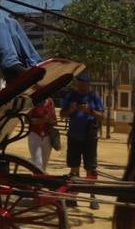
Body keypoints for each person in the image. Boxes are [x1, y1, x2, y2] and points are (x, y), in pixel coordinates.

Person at [60, 72, 105, 208]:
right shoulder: (71, 96)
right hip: (74, 136)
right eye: (79, 83)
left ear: (88, 84)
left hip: (90, 136)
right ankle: (73, 196)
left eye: (84, 84)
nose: (81, 86)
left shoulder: (93, 97)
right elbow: (62, 114)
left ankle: (92, 196)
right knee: (74, 167)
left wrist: (89, 111)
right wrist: (70, 110)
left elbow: (102, 116)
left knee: (90, 168)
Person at [26, 95, 58, 172]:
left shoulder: (50, 101)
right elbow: (26, 120)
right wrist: (41, 120)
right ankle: (37, 178)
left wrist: (49, 120)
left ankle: (40, 178)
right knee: (37, 163)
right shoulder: (32, 101)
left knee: (44, 165)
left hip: (48, 136)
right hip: (34, 134)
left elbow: (55, 121)